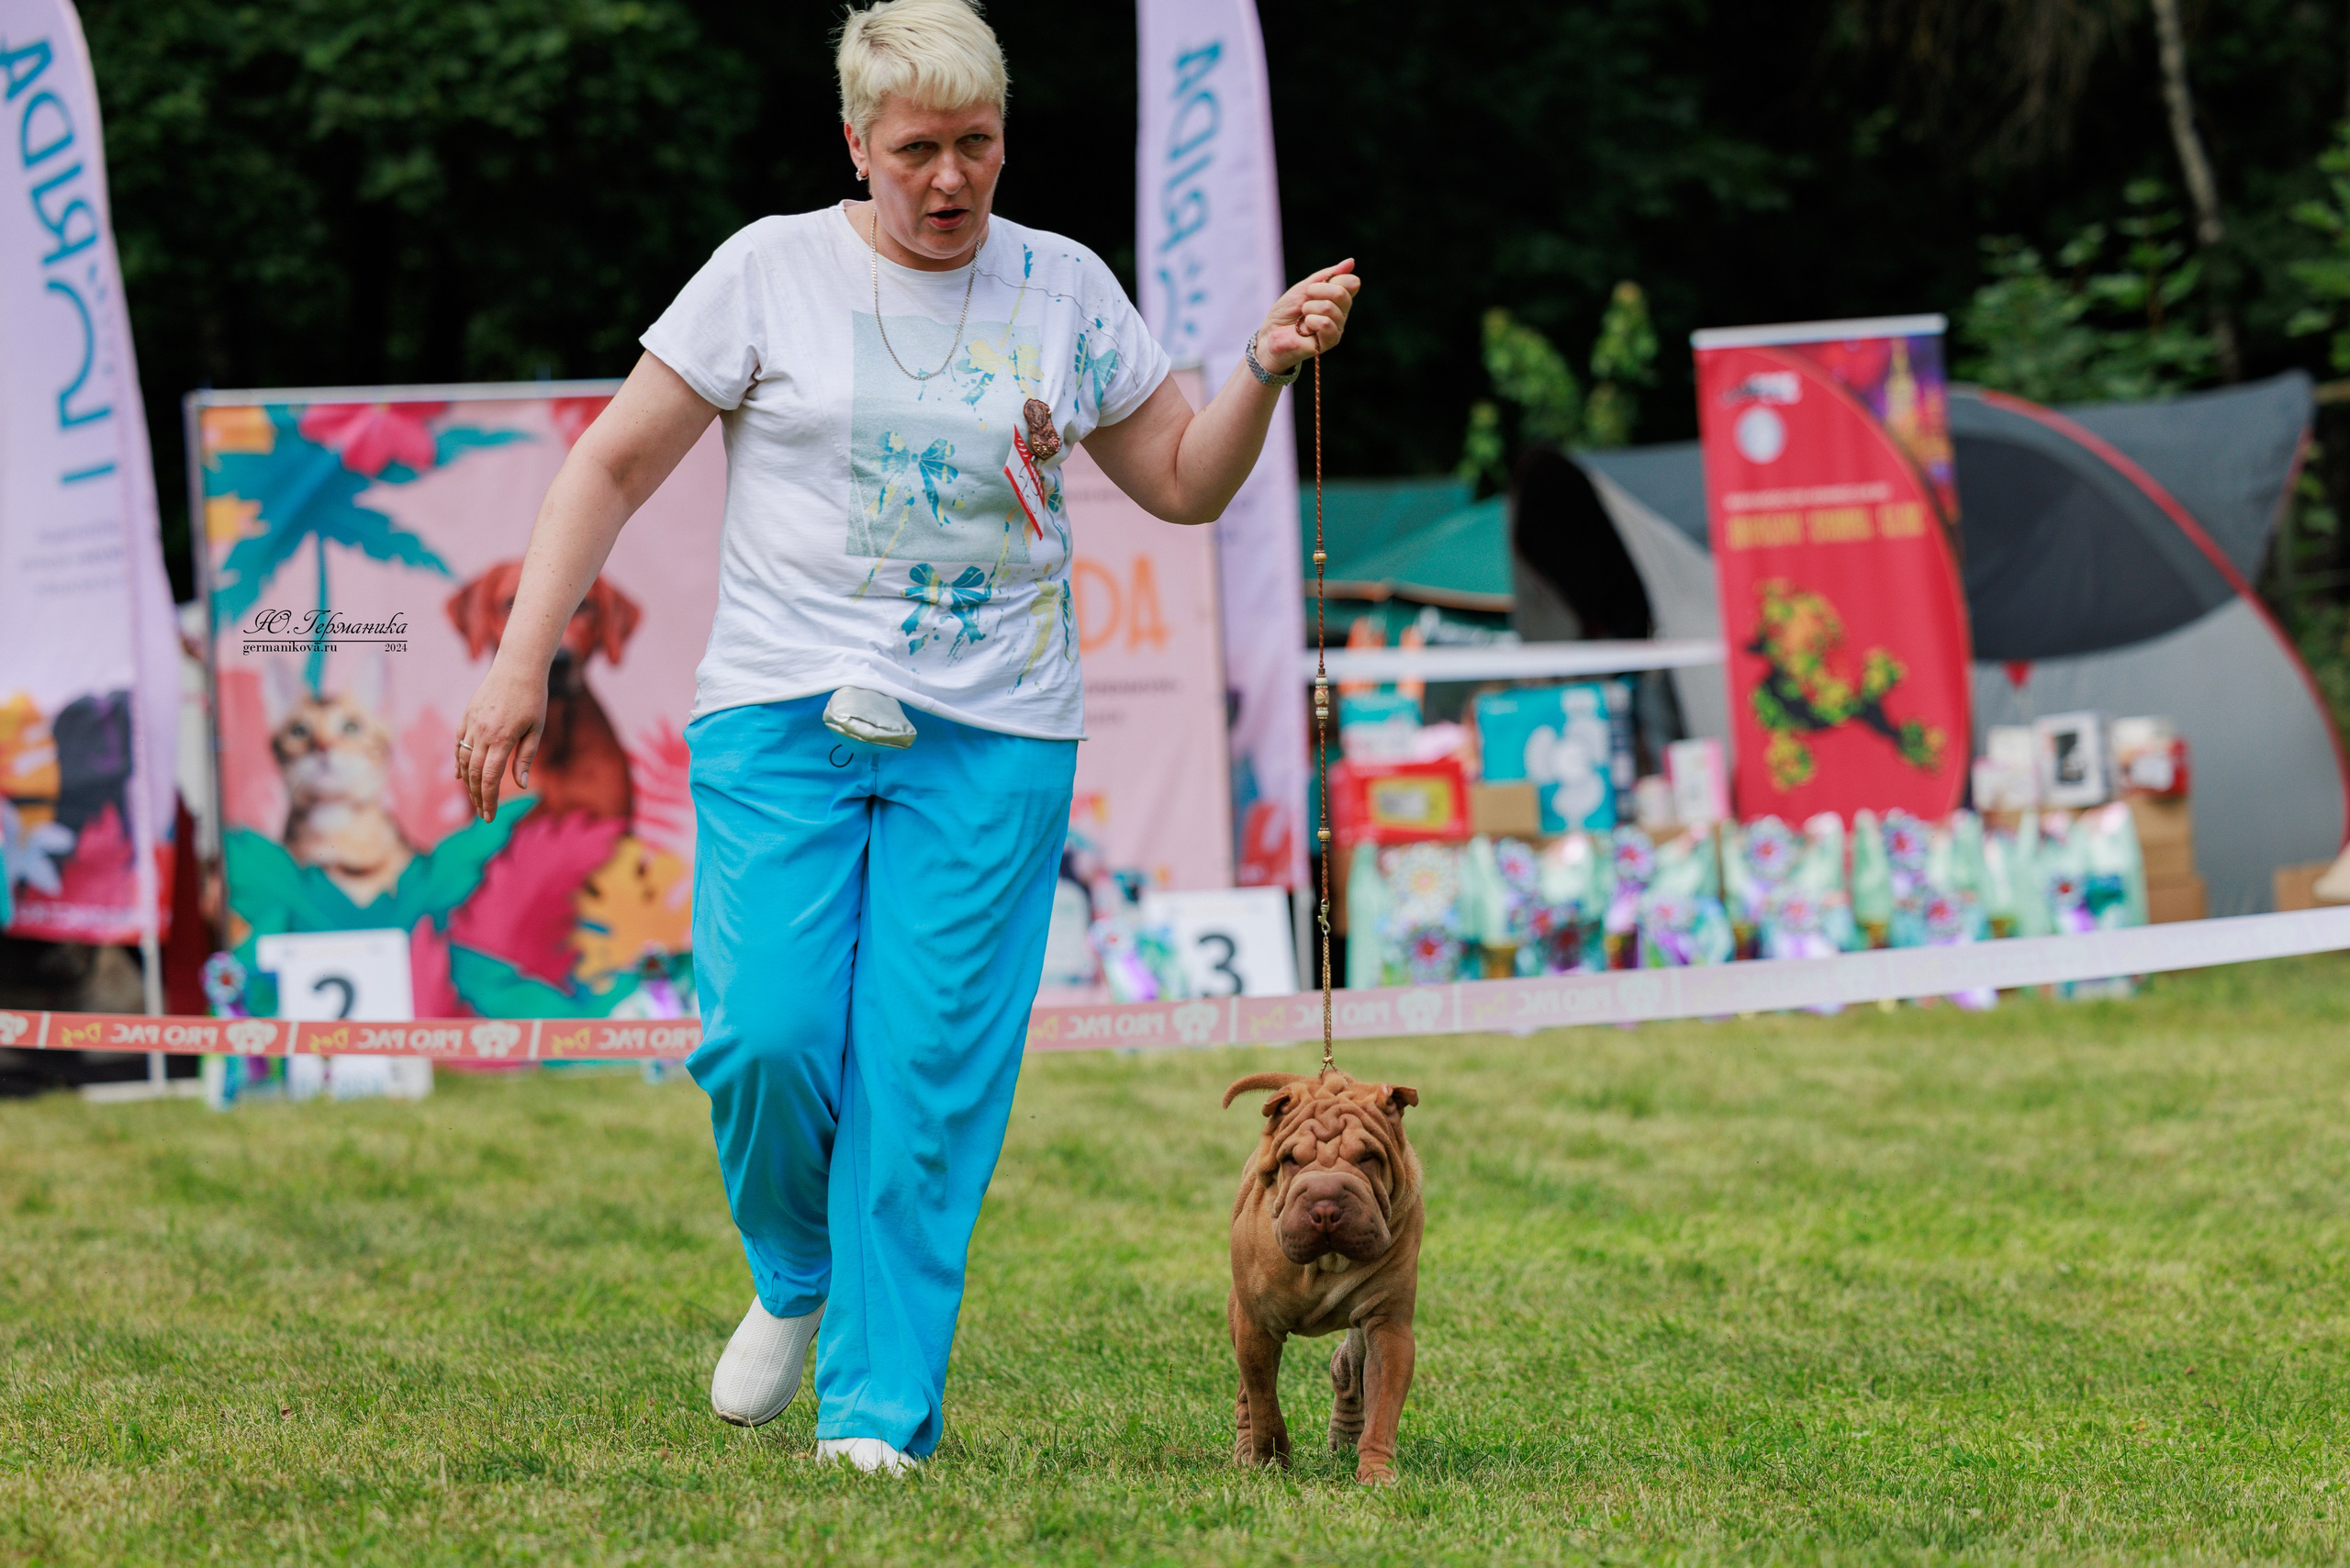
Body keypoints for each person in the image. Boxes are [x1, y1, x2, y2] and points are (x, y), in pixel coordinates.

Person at [452, 0, 1359, 1474]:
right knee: (767, 1040)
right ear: (857, 146)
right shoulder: (766, 271)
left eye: (978, 146)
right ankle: (795, 1274)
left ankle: (878, 1414)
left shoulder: (1062, 288)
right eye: (919, 150)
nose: (951, 181)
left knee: (921, 1075)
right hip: (779, 712)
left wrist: (1257, 366)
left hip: (995, 732)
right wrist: (518, 669)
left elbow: (1185, 487)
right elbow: (609, 466)